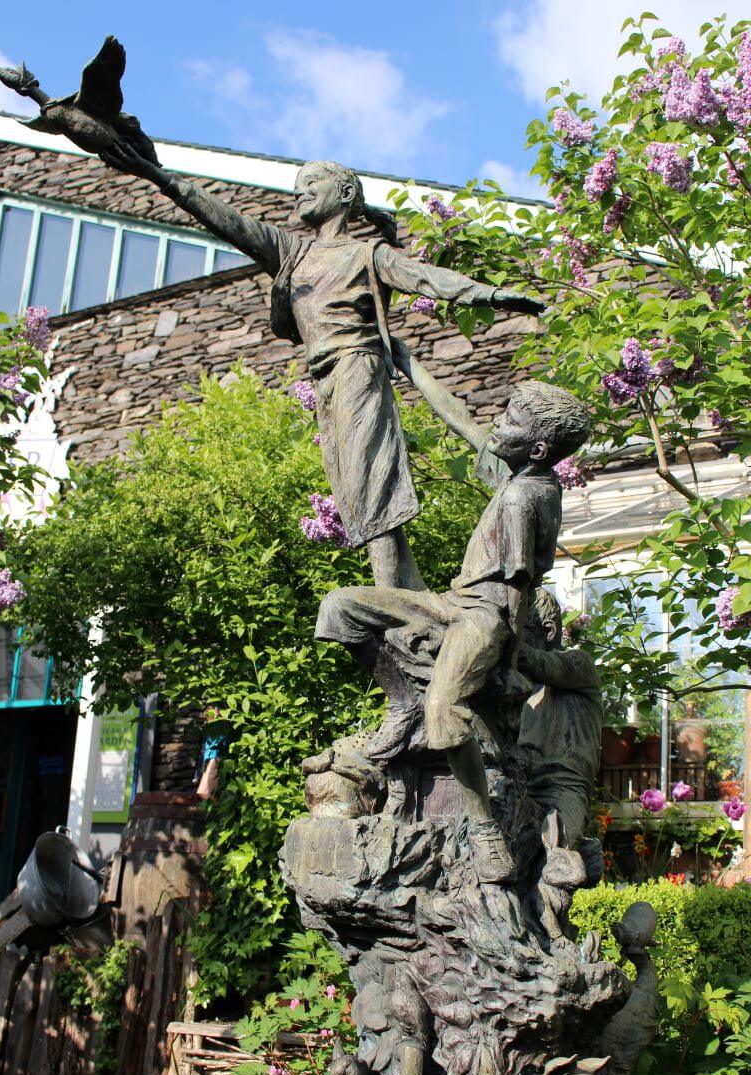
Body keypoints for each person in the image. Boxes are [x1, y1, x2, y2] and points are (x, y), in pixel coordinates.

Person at [85, 142, 543, 588]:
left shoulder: (368, 255)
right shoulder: (293, 253)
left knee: (369, 476)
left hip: (357, 368)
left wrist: (492, 294)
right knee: (351, 483)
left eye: (310, 183)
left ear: (344, 194)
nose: (298, 193)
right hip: (325, 376)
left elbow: (428, 278)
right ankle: (407, 589)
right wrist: (160, 177)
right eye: (296, 186)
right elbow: (228, 221)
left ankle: (388, 595)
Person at [315, 346, 591, 881]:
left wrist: (506, 664)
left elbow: (514, 595)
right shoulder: (521, 473)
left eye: (511, 419)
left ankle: (485, 829)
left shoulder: (522, 501)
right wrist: (407, 363)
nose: (497, 423)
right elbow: (460, 419)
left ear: (535, 446)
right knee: (340, 608)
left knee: (443, 713)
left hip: (484, 619)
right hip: (454, 602)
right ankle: (401, 702)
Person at [517, 590, 603, 848]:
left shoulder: (578, 664)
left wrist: (494, 640)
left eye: (518, 631)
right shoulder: (519, 688)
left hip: (561, 789)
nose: (514, 639)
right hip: (518, 781)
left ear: (549, 630)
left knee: (556, 844)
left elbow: (536, 662)